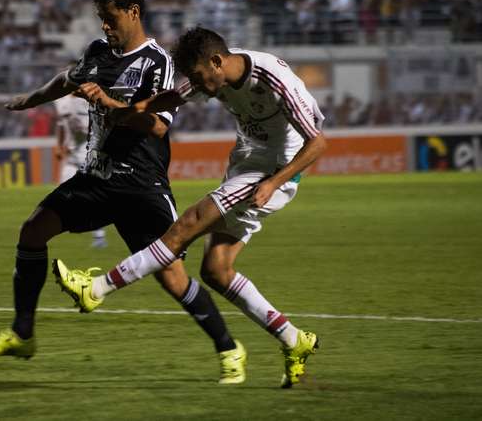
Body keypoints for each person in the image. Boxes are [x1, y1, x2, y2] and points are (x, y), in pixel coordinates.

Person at [0, 0, 244, 384]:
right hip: (96, 177)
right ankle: (22, 334)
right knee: (32, 231)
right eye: (101, 18)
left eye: (110, 18)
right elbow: (66, 80)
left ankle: (229, 349)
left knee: (172, 278)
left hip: (140, 186)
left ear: (132, 12)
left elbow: (157, 126)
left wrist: (110, 102)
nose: (105, 26)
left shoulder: (158, 62)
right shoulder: (98, 52)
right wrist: (30, 100)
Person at [54, 26, 327, 388]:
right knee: (216, 270)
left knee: (186, 225)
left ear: (216, 61)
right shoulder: (209, 73)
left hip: (277, 168)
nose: (198, 85)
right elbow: (168, 99)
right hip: (247, 160)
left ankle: (98, 288)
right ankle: (295, 340)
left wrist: (273, 183)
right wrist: (122, 108)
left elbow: (318, 143)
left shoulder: (274, 80)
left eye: (199, 76)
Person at [53, 93, 107, 248]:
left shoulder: (90, 99)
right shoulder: (61, 101)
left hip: (89, 155)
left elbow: (102, 123)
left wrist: (86, 128)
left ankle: (99, 236)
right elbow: (60, 125)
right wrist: (59, 145)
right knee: (61, 193)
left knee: (90, 196)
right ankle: (51, 225)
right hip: (71, 156)